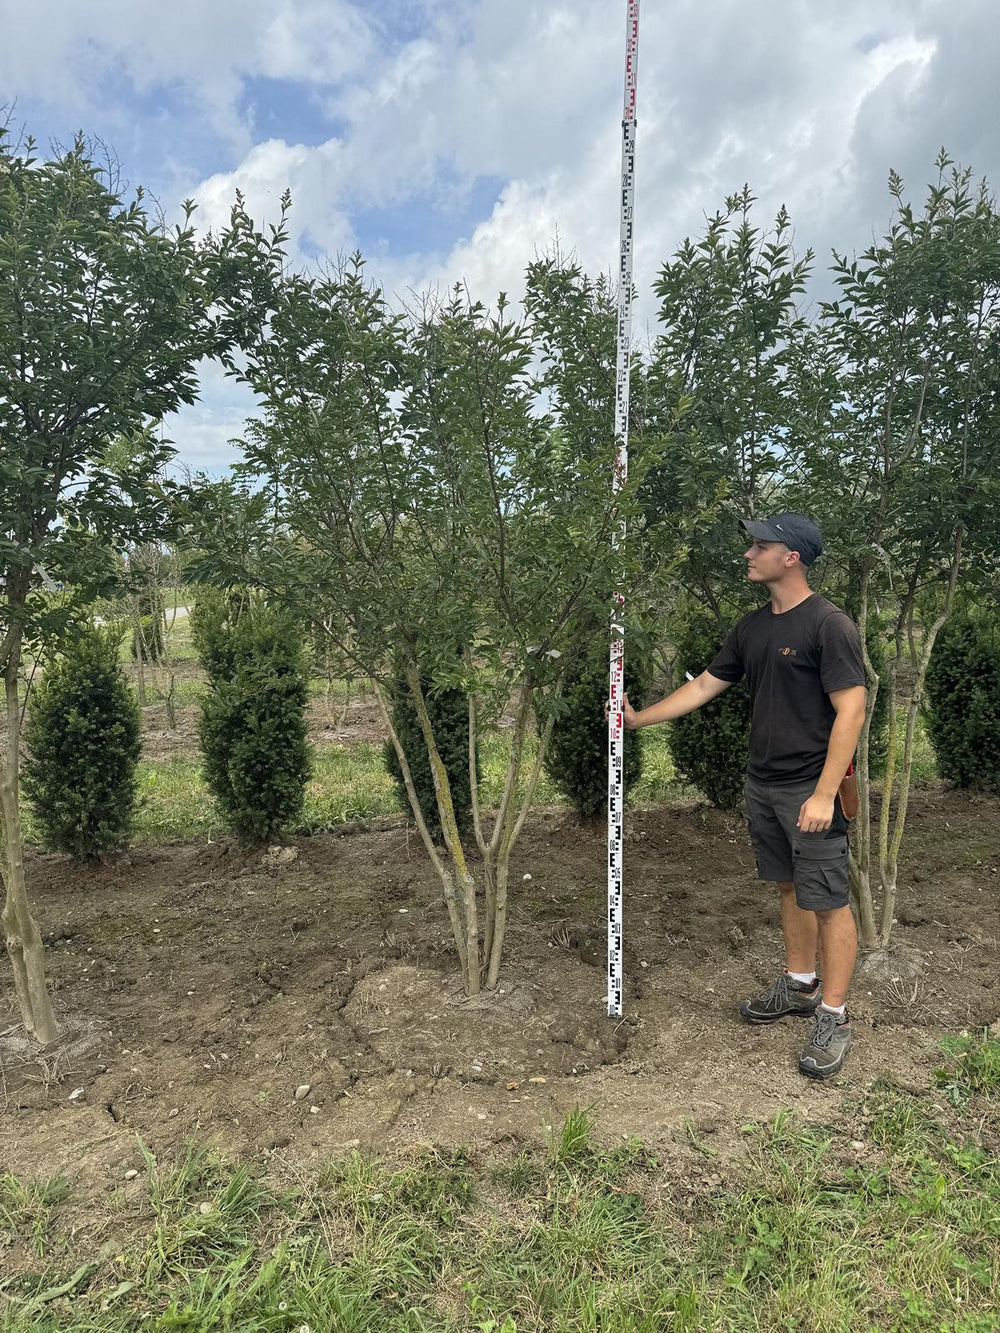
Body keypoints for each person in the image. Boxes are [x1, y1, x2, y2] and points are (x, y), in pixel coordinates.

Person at [612, 514, 867, 1079]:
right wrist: (638, 720)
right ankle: (800, 984)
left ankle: (834, 1015)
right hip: (764, 784)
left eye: (760, 546)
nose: (749, 554)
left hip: (810, 788)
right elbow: (706, 684)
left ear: (792, 557)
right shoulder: (752, 628)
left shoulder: (829, 626)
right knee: (788, 887)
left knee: (828, 900)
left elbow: (851, 709)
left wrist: (825, 794)